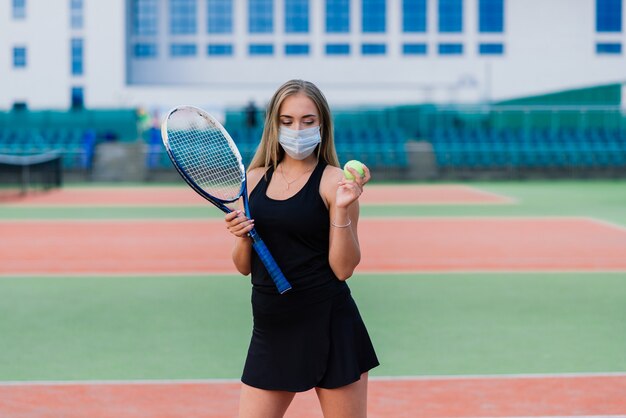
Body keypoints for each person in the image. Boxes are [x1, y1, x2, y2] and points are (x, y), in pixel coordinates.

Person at [225, 79, 379, 418]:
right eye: (288, 121)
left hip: (328, 324)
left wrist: (340, 210)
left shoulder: (336, 182)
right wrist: (240, 236)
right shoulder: (252, 181)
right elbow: (243, 267)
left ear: (322, 124)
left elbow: (343, 269)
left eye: (308, 121)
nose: (298, 129)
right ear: (274, 124)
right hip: (271, 328)